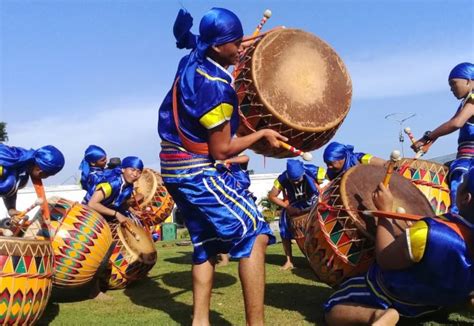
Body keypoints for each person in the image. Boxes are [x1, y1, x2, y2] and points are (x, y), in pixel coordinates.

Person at [158, 7, 286, 325]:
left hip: (173, 167)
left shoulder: (192, 60)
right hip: (195, 171)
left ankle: (199, 321)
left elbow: (210, 43)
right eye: (235, 42)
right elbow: (221, 150)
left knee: (205, 245)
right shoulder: (216, 87)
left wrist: (257, 38)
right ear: (218, 46)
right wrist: (262, 134)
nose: (241, 47)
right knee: (255, 233)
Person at [324, 164, 474, 326]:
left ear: (466, 199)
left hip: (399, 297)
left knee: (333, 306)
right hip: (439, 302)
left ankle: (377, 315)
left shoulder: (429, 233)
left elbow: (385, 259)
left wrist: (384, 212)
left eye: (462, 182)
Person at [412, 62, 473, 214]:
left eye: (454, 83)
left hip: (471, 158)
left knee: (459, 174)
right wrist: (429, 142)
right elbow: (451, 123)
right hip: (465, 155)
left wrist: (428, 136)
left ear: (469, 80)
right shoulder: (465, 103)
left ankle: (457, 218)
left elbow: (457, 123)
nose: (452, 89)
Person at [268, 159, 327, 270]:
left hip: (313, 203)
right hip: (294, 205)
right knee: (283, 225)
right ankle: (289, 261)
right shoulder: (282, 179)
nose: (295, 183)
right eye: (293, 180)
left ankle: (324, 257)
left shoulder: (313, 171)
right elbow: (272, 196)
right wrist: (288, 207)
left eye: (298, 179)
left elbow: (328, 181)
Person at [0, 144, 65, 217]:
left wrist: (11, 209)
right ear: (39, 171)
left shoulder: (21, 166)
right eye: (47, 175)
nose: (45, 178)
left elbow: (10, 190)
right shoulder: (5, 160)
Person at [84, 156, 143, 225]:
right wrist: (116, 214)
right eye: (132, 170)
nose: (135, 174)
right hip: (88, 215)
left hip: (103, 214)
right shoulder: (112, 183)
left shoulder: (128, 186)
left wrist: (133, 211)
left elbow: (121, 202)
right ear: (123, 169)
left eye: (139, 172)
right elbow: (92, 204)